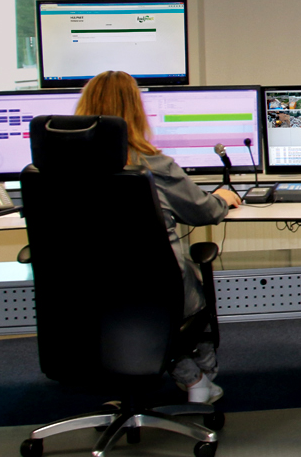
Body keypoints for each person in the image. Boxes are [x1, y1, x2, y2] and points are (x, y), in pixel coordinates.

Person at [72, 70, 244, 404]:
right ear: (135, 113)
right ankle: (198, 379)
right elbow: (203, 212)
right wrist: (222, 197)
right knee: (189, 298)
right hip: (154, 291)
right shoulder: (151, 165)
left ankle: (189, 380)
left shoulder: (60, 170)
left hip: (87, 292)